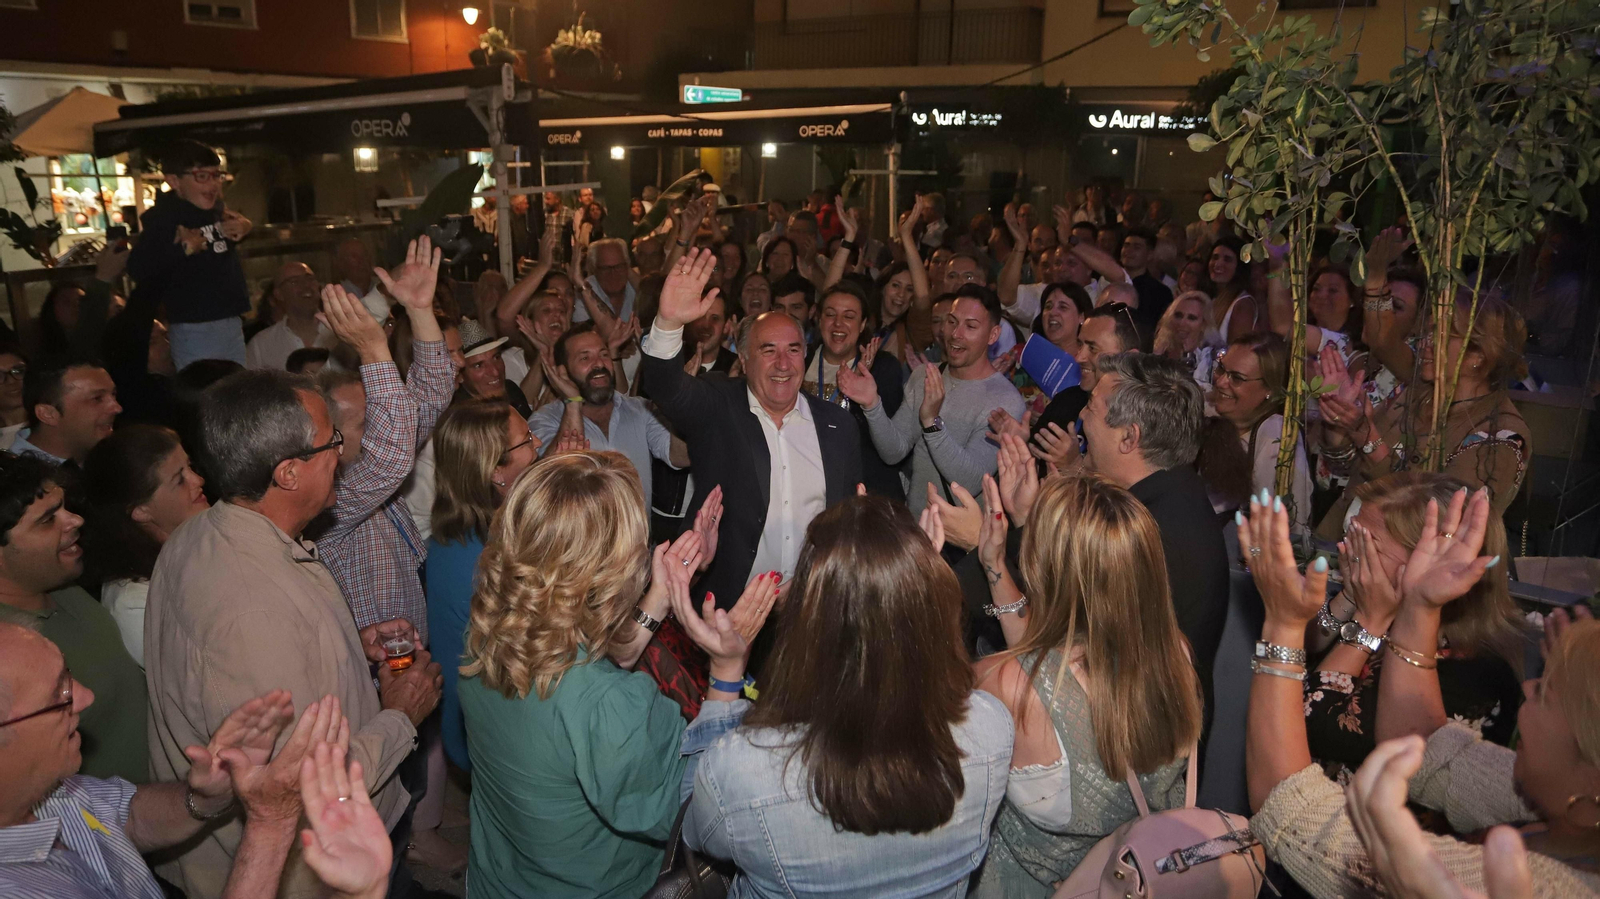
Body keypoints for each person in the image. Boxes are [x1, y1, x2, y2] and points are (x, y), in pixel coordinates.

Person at [144, 368, 442, 899]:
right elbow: (297, 786)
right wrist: (400, 715)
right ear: (287, 473)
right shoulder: (251, 612)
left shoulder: (203, 532)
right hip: (308, 873)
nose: (343, 454)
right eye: (332, 442)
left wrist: (351, 642)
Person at [1238, 487, 1600, 897]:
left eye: (1549, 695)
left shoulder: (1553, 886)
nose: (1531, 685)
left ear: (1590, 773)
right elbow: (1431, 753)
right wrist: (1420, 606)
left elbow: (1294, 814)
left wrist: (1282, 626)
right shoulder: (1565, 813)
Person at [458, 450, 778, 899]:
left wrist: (664, 592)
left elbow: (595, 660)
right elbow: (701, 807)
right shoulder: (609, 704)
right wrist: (726, 673)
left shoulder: (488, 634)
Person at [686, 496, 1014, 896]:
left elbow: (693, 831)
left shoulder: (743, 770)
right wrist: (907, 585)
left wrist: (725, 675)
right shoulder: (992, 731)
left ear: (807, 624)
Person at [971, 473, 1203, 896]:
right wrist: (994, 565)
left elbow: (1037, 682)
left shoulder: (1002, 683)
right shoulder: (1176, 654)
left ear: (1042, 568)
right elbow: (1052, 676)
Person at [0, 623, 353, 899]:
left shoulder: (47, 790)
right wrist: (271, 820)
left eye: (69, 675)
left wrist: (205, 796)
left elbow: (128, 816)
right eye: (59, 696)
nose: (86, 697)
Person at [640, 249, 862, 611]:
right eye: (768, 350)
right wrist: (667, 323)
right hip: (727, 608)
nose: (783, 363)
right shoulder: (718, 406)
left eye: (793, 350)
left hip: (814, 611)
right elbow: (666, 388)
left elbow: (847, 521)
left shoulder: (838, 425)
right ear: (743, 359)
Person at [1300, 473, 1525, 782]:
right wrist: (1351, 597)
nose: (1345, 551)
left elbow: (1308, 725)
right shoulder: (1387, 614)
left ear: (1430, 562)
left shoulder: (1474, 673)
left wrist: (1369, 620)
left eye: (1366, 546)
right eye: (1350, 537)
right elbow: (1307, 648)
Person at [313, 238, 453, 641]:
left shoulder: (371, 473)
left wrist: (420, 310)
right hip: (372, 675)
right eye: (366, 422)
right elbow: (389, 457)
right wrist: (373, 347)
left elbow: (429, 395)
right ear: (331, 440)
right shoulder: (331, 502)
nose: (384, 424)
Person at [1079, 352, 1229, 721]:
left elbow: (1083, 648)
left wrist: (992, 554)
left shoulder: (1147, 528)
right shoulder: (1174, 495)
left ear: (1129, 437)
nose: (1081, 417)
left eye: (1090, 408)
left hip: (1139, 750)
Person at [1316, 293, 1531, 538]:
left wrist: (1368, 439)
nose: (1425, 343)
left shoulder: (1500, 436)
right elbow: (1345, 467)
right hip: (1341, 545)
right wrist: (1338, 420)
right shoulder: (1413, 394)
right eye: (1427, 332)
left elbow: (1435, 527)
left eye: (1441, 334)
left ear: (1478, 355)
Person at [0, 453, 146, 782]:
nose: (75, 520)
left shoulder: (61, 585)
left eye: (64, 506)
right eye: (47, 520)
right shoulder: (9, 651)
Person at [424, 400, 542, 772]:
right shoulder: (486, 561)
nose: (538, 441)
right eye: (526, 440)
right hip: (492, 739)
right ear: (495, 471)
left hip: (480, 727)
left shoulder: (456, 537)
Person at [845, 285, 1025, 514]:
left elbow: (970, 481)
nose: (955, 334)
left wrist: (931, 423)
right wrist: (872, 405)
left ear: (993, 335)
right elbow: (893, 452)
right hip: (916, 528)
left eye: (970, 326)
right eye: (951, 322)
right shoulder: (926, 376)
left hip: (962, 540)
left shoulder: (1005, 400)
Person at [81, 425, 208, 667]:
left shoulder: (206, 538)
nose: (198, 480)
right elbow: (198, 679)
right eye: (179, 479)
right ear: (140, 510)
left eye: (190, 467)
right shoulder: (135, 604)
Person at [126, 140, 252, 370]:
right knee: (202, 394)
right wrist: (182, 250)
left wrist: (245, 228)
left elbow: (228, 236)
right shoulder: (165, 219)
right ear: (174, 180)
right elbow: (137, 268)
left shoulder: (216, 211)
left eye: (216, 175)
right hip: (193, 325)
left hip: (230, 319)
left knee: (236, 393)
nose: (212, 184)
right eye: (202, 176)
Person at [529, 321, 687, 500]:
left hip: (637, 528)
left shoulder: (640, 409)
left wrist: (679, 401)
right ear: (562, 372)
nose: (599, 364)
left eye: (604, 354)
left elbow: (681, 457)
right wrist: (572, 402)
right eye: (585, 358)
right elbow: (549, 481)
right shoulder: (544, 420)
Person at [1198, 332, 1312, 528]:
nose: (1221, 381)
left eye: (1237, 378)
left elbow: (1290, 523)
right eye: (1221, 369)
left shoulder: (1275, 435)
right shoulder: (1204, 408)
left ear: (1270, 389)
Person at [804, 281, 905, 500]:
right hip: (806, 485)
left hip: (864, 493)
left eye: (849, 317)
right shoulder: (799, 361)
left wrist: (863, 399)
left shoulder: (882, 368)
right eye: (830, 314)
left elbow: (890, 447)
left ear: (862, 325)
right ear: (819, 320)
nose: (838, 324)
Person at [14, 361, 121, 466]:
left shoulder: (115, 460)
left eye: (113, 394)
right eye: (97, 398)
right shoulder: (13, 478)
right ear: (48, 414)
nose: (117, 408)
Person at [245, 261, 333, 371]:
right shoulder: (261, 345)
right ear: (279, 294)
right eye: (294, 282)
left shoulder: (341, 331)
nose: (306, 285)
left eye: (310, 279)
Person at [453, 318, 532, 418]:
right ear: (460, 376)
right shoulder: (461, 419)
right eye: (478, 366)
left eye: (496, 358)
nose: (495, 372)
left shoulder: (511, 391)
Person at [1153, 288, 1223, 388]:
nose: (1182, 323)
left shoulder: (1213, 359)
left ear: (1204, 324)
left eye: (1192, 318)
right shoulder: (1160, 351)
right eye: (1178, 315)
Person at [1119, 227, 1175, 334]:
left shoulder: (1159, 292)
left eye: (1137, 247)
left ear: (1150, 255)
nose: (1129, 251)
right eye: (1126, 245)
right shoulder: (1108, 280)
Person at [1209, 235, 1260, 340]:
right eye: (1215, 257)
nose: (1217, 264)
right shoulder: (1211, 298)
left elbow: (1237, 351)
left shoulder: (1242, 304)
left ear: (1239, 267)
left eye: (1227, 260)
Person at [576, 238, 637, 325]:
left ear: (627, 267)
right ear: (594, 270)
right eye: (605, 269)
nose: (613, 274)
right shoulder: (585, 290)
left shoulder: (634, 286)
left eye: (618, 267)